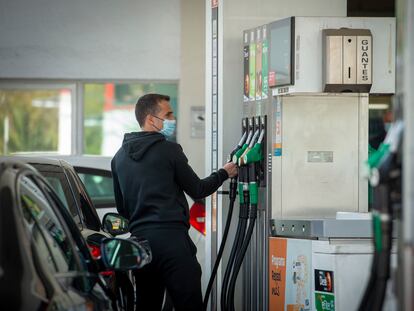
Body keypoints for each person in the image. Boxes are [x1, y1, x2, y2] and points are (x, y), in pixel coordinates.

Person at [111, 93, 238, 310]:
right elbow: (198, 189)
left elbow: (123, 209)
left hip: (140, 245)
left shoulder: (118, 158)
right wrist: (225, 173)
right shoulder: (169, 150)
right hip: (172, 242)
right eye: (168, 114)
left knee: (146, 305)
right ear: (151, 119)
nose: (173, 119)